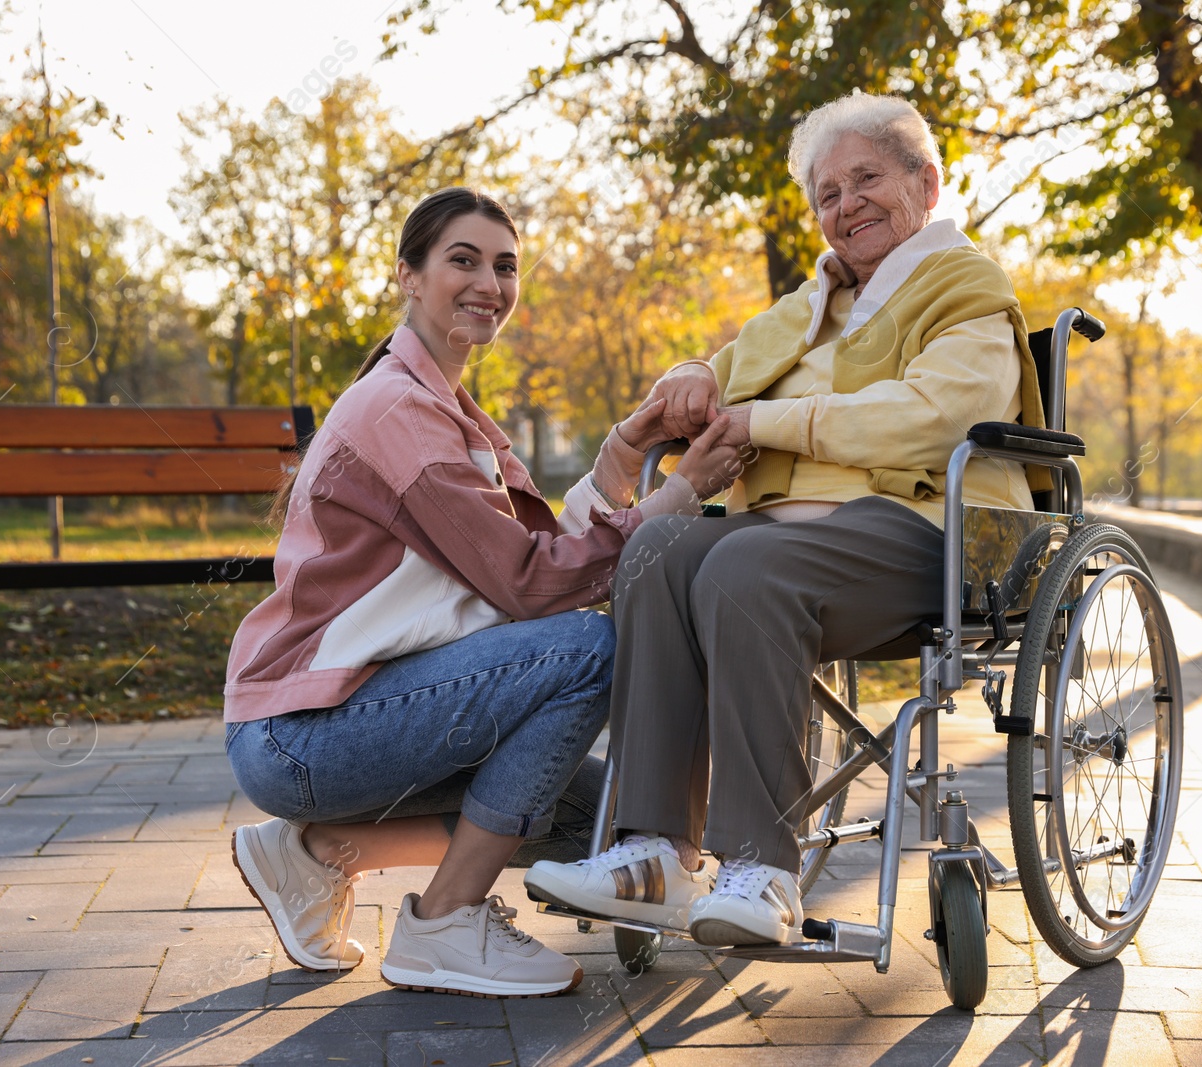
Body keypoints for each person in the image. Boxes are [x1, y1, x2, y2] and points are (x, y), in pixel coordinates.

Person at [525, 93, 1051, 946]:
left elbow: (937, 414)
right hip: (784, 543)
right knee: (657, 546)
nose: (847, 207)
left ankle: (763, 867)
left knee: (745, 565)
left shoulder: (966, 288)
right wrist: (692, 373)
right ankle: (655, 851)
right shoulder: (807, 306)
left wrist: (768, 422)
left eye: (866, 179)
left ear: (927, 183)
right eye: (828, 195)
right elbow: (718, 368)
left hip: (922, 533)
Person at [223, 187, 741, 998]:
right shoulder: (400, 412)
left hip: (355, 717)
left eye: (505, 267)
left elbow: (518, 559)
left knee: (592, 815)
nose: (488, 283)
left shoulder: (445, 410)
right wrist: (679, 495)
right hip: (305, 731)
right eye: (462, 260)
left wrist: (616, 453)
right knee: (588, 652)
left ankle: (320, 852)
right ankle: (444, 922)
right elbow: (531, 586)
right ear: (409, 275)